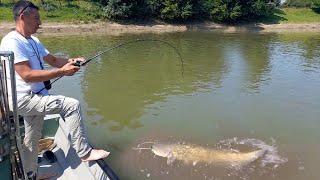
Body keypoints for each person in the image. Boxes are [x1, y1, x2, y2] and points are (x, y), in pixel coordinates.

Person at [0, 1, 110, 179]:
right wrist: (62, 72)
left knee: (32, 138)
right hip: (24, 100)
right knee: (71, 105)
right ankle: (84, 152)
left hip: (36, 97)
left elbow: (53, 60)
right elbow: (26, 75)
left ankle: (31, 175)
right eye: (36, 18)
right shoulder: (12, 41)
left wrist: (71, 61)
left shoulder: (33, 40)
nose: (40, 23)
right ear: (22, 17)